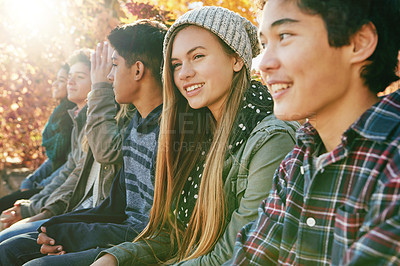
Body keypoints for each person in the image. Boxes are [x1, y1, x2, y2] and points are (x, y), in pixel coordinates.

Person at [93, 6, 298, 265]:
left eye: (198, 56)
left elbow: (238, 253)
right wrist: (116, 258)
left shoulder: (271, 140)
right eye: (176, 64)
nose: (184, 73)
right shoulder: (198, 134)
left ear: (236, 59)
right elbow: (177, 234)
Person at [229, 0, 400, 265]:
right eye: (264, 44)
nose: (263, 64)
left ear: (358, 42)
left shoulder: (393, 166)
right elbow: (251, 257)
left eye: (284, 36)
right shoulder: (298, 160)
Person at [0, 19, 166, 265]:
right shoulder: (136, 124)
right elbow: (72, 169)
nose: (108, 77)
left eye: (112, 66)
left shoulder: (160, 128)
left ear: (138, 70)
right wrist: (53, 222)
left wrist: (56, 223)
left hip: (133, 242)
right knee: (10, 246)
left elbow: (104, 153)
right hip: (107, 225)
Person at [0, 49, 92, 239]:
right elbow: (65, 166)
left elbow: (65, 167)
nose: (69, 82)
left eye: (79, 77)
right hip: (52, 193)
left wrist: (35, 207)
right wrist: (32, 190)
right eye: (69, 77)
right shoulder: (74, 116)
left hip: (66, 204)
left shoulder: (91, 122)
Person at [0, 63, 76, 213]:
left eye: (61, 80)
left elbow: (70, 163)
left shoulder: (73, 118)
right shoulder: (59, 114)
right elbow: (53, 160)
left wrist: (40, 185)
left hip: (56, 188)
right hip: (47, 184)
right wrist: (31, 179)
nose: (54, 84)